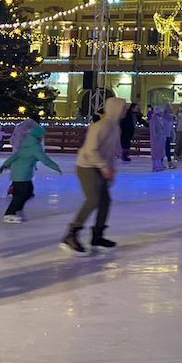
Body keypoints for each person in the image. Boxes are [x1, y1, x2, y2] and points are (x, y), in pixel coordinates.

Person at [63, 97, 126, 254]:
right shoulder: (101, 126)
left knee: (105, 201)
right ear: (115, 108)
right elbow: (91, 150)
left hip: (99, 167)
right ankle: (71, 234)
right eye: (123, 107)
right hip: (86, 166)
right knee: (93, 200)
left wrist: (111, 171)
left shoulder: (115, 127)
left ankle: (97, 236)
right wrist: (104, 168)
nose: (125, 110)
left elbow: (110, 153)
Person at [0, 122, 61, 222]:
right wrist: (56, 167)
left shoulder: (27, 142)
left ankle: (17, 210)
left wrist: (5, 164)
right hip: (21, 174)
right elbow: (44, 160)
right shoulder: (35, 147)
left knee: (27, 192)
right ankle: (9, 214)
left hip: (22, 173)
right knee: (20, 194)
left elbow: (16, 155)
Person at [147, 105, 173, 172]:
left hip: (161, 138)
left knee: (160, 151)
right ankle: (156, 166)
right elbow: (153, 129)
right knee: (156, 152)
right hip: (157, 138)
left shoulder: (159, 118)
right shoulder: (154, 119)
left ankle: (159, 165)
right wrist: (155, 137)